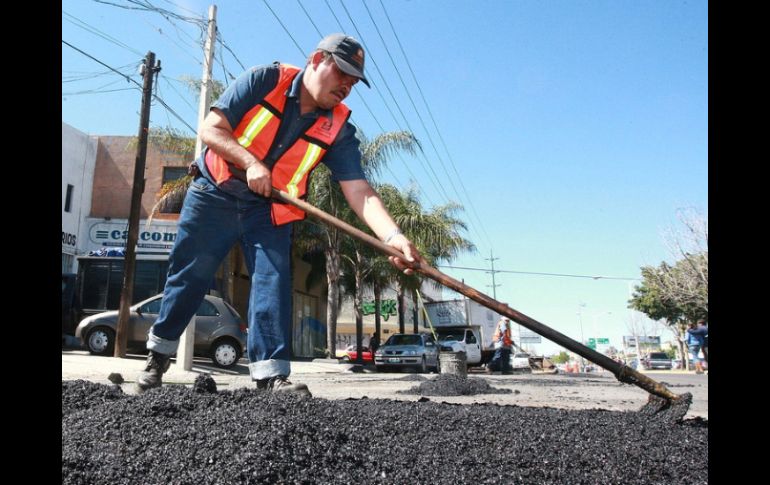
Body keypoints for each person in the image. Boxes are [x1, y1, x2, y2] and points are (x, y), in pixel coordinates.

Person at [136, 33, 423, 396]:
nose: (347, 85)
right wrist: (250, 162)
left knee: (273, 282)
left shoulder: (338, 128)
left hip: (268, 210)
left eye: (354, 81)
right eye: (342, 73)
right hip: (215, 193)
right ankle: (157, 357)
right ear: (316, 59)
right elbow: (211, 129)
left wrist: (394, 238)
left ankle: (270, 377)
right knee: (189, 276)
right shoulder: (266, 80)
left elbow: (359, 191)